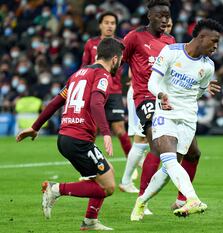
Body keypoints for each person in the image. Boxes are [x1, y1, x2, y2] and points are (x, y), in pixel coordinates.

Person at [16, 38, 125, 231]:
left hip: (66, 137)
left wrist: (35, 126)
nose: (120, 64)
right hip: (79, 139)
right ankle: (55, 189)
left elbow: (56, 102)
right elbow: (95, 103)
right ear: (114, 59)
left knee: (104, 174)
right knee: (107, 187)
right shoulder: (102, 75)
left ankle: (90, 221)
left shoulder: (78, 74)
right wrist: (106, 133)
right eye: (121, 60)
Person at [123, 0, 220, 214]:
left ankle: (142, 202)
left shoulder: (203, 63)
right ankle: (190, 199)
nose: (165, 20)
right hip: (153, 102)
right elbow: (137, 72)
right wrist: (160, 95)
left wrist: (195, 89)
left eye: (168, 16)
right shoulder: (149, 43)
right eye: (160, 15)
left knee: (178, 161)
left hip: (185, 113)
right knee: (160, 150)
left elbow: (198, 90)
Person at [119, 17, 173, 194]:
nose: (167, 28)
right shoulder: (140, 38)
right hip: (141, 95)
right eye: (165, 24)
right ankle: (128, 181)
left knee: (147, 141)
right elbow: (128, 63)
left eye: (170, 25)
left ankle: (129, 181)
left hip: (160, 97)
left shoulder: (169, 43)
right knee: (142, 139)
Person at [82, 11, 132, 158]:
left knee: (119, 129)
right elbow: (84, 66)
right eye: (106, 23)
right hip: (95, 90)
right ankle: (90, 167)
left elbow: (133, 62)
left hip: (114, 91)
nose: (109, 26)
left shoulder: (122, 44)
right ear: (100, 25)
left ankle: (131, 165)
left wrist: (133, 75)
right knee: (93, 129)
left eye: (112, 23)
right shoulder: (91, 44)